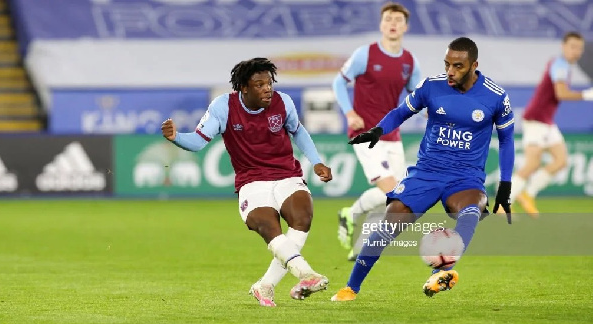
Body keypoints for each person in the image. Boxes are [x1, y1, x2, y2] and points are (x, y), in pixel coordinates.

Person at [330, 37, 515, 301]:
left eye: (458, 66)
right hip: (426, 172)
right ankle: (351, 288)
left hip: (465, 176)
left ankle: (445, 272)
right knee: (389, 222)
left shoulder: (496, 97)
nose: (451, 71)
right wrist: (378, 130)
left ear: (474, 65)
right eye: (447, 64)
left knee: (472, 207)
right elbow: (401, 112)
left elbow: (507, 140)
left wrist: (505, 187)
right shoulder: (432, 86)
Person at [161, 58, 333, 307]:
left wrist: (316, 161)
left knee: (302, 218)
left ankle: (277, 283)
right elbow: (199, 141)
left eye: (269, 83)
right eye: (259, 84)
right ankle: (299, 276)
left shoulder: (283, 102)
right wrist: (176, 137)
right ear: (244, 88)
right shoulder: (224, 106)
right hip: (252, 182)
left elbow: (297, 130)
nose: (267, 88)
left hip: (287, 175)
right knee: (268, 227)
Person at [332, 1, 422, 260]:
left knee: (398, 198)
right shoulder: (365, 54)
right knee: (391, 189)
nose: (392, 23)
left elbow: (417, 97)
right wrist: (349, 113)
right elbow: (339, 83)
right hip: (365, 134)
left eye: (397, 20)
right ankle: (357, 228)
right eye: (388, 19)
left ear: (405, 26)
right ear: (381, 25)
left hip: (392, 135)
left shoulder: (409, 61)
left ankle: (353, 220)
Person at [509, 32, 593, 218]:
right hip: (536, 119)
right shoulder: (559, 65)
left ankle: (527, 194)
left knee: (561, 161)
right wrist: (587, 95)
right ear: (563, 47)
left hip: (546, 121)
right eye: (573, 47)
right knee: (532, 164)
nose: (576, 52)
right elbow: (561, 93)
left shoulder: (562, 66)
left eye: (579, 48)